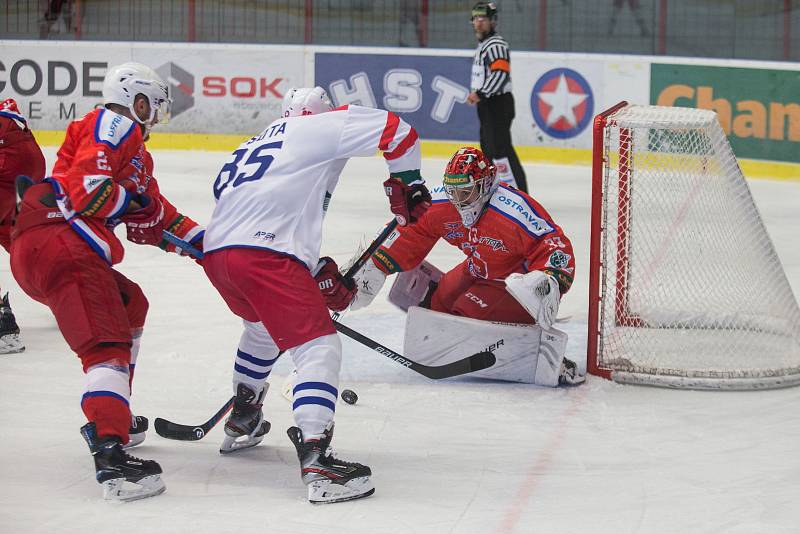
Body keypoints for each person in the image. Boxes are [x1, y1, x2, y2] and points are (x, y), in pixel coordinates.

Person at [200, 86, 431, 503]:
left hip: (219, 257)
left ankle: (244, 417)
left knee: (261, 331)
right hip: (265, 257)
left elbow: (263, 214)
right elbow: (400, 132)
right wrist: (409, 186)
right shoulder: (318, 127)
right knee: (319, 347)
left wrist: (314, 273)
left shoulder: (250, 145)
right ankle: (317, 460)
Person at [10, 62, 204, 501]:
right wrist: (129, 200)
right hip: (63, 242)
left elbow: (155, 219)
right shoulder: (113, 122)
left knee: (130, 304)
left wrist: (208, 247)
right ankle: (112, 456)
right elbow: (89, 191)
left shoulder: (136, 154)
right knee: (107, 346)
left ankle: (113, 411)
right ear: (136, 101)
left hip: (48, 247)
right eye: (153, 107)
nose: (155, 117)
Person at [342, 147, 584, 386]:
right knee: (438, 304)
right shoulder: (441, 204)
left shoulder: (513, 211)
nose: (459, 201)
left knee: (465, 314)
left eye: (466, 192)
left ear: (486, 184)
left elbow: (553, 243)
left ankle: (533, 352)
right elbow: (413, 228)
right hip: (476, 268)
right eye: (454, 192)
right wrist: (378, 264)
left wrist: (550, 280)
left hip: (512, 282)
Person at [0, 98, 46, 354]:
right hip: (27, 156)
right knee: (13, 236)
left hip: (8, 158)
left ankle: (2, 326)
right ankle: (68, 291)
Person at [467, 1, 528, 194]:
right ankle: (500, 191)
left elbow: (500, 74)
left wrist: (480, 93)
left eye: (483, 19)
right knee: (490, 150)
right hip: (488, 104)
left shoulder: (495, 44)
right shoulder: (485, 45)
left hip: (496, 103)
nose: (478, 23)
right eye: (476, 19)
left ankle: (520, 194)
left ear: (493, 21)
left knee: (501, 151)